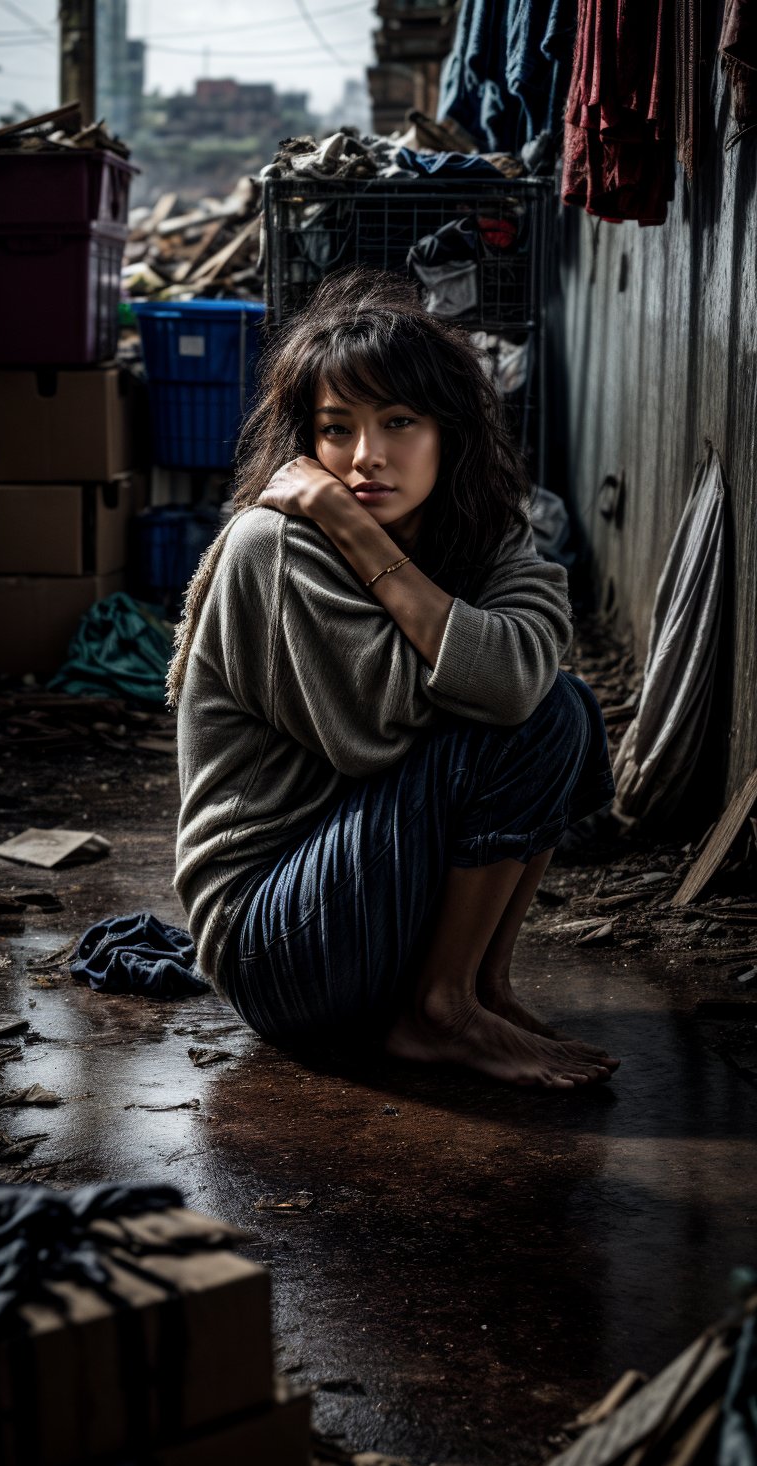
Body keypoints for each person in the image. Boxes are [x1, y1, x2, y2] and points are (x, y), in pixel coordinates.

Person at [169, 269, 619, 1090]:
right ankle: (437, 1011)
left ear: (450, 433)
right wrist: (350, 529)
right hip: (277, 942)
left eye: (399, 422)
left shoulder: (485, 537)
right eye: (335, 430)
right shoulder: (273, 548)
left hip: (372, 910)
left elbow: (523, 668)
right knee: (538, 712)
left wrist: (379, 554)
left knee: (565, 705)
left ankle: (477, 988)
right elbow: (372, 738)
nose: (364, 458)